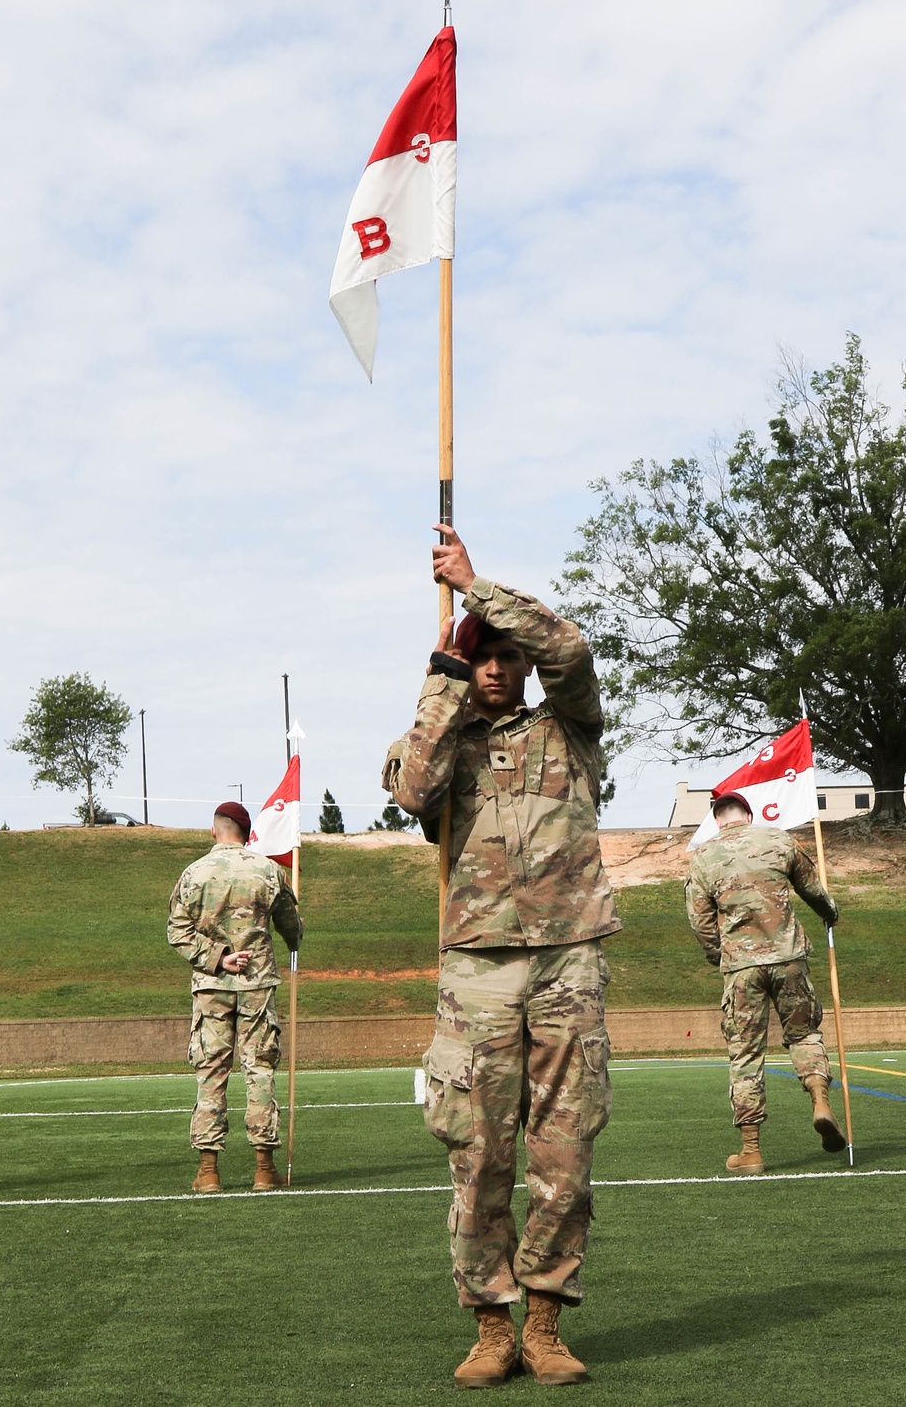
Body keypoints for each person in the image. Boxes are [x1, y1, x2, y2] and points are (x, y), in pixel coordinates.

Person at [382, 526, 620, 1389]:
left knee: (564, 1153)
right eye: (479, 658)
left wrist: (478, 588)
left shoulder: (571, 729)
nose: (494, 668)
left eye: (503, 658)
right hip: (478, 968)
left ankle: (546, 1321)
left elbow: (573, 649)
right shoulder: (441, 737)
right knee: (478, 1151)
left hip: (567, 960)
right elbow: (413, 790)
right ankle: (490, 1325)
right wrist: (440, 682)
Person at [685, 791, 847, 1174]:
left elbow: (700, 919)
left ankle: (751, 1151)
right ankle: (820, 1101)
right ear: (747, 814)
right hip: (789, 958)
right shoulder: (778, 839)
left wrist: (718, 955)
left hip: (742, 968)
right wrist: (830, 914)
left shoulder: (704, 857)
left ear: (717, 819)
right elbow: (812, 888)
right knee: (804, 1035)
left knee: (745, 1055)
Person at [167, 800, 303, 1193]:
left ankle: (208, 1172)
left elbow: (177, 932)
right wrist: (295, 934)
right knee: (259, 1068)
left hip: (211, 986)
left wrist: (218, 958)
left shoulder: (193, 874)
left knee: (211, 1070)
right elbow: (291, 926)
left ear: (215, 831)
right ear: (247, 834)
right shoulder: (268, 871)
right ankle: (264, 1169)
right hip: (257, 984)